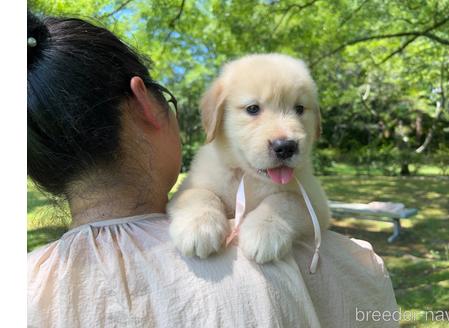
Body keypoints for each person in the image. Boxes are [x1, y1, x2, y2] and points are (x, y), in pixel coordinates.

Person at [27, 10, 399, 328]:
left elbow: (310, 206)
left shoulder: (26, 289)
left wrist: (278, 214)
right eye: (253, 109)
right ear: (146, 103)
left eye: (300, 109)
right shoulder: (353, 267)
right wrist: (202, 205)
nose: (285, 133)